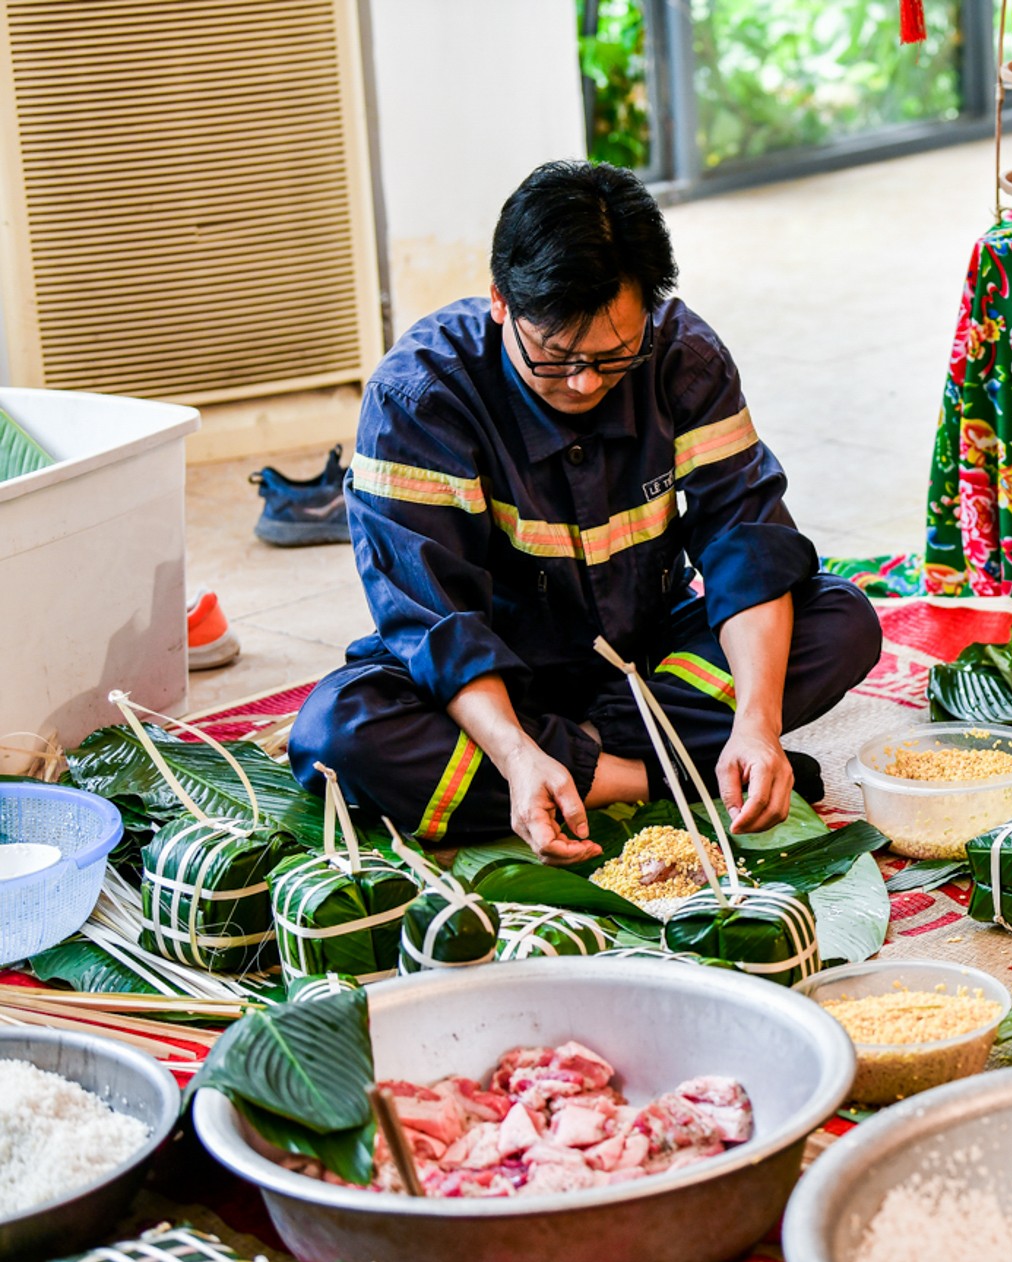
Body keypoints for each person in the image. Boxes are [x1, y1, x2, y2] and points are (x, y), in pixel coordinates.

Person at [288, 161, 882, 862]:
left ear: (650, 311)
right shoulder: (419, 397)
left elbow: (745, 545)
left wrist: (755, 722)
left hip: (642, 668)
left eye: (613, 356)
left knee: (839, 620)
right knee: (338, 732)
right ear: (501, 302)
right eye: (555, 356)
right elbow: (434, 622)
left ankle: (597, 768)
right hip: (491, 684)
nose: (583, 382)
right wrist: (513, 755)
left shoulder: (682, 357)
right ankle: (655, 779)